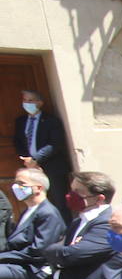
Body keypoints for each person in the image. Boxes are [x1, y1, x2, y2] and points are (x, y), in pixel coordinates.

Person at [0, 168, 66, 279]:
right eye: (15, 183)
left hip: (34, 268)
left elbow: (38, 251)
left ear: (38, 188)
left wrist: (3, 257)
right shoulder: (28, 211)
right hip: (17, 264)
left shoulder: (48, 213)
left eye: (21, 184)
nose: (16, 187)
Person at [14, 90, 72, 222]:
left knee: (59, 202)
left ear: (39, 103)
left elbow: (55, 144)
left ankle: (66, 232)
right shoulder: (20, 121)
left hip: (52, 166)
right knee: (37, 201)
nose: (26, 103)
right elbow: (18, 141)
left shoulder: (51, 121)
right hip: (30, 169)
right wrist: (26, 158)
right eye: (25, 101)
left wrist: (36, 159)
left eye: (30, 100)